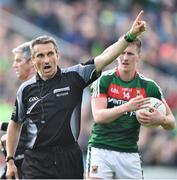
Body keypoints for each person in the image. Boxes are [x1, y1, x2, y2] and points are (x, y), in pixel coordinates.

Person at [6, 10, 146, 179]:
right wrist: (10, 160)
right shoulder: (25, 90)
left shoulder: (75, 76)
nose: (46, 59)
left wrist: (130, 36)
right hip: (37, 160)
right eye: (40, 56)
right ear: (33, 60)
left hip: (69, 157)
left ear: (58, 55)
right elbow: (15, 125)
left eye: (50, 53)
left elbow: (106, 56)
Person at [86, 37, 176, 179]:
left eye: (130, 54)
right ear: (116, 55)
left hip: (129, 152)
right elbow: (99, 116)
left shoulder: (149, 86)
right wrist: (126, 107)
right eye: (122, 52)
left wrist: (161, 119)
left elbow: (171, 123)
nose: (125, 57)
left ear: (139, 57)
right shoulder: (104, 80)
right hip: (101, 149)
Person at [0, 41, 35, 179]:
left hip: (35, 159)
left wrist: (3, 127)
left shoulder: (36, 88)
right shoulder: (25, 89)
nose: (14, 65)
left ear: (31, 62)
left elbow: (34, 125)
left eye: (18, 60)